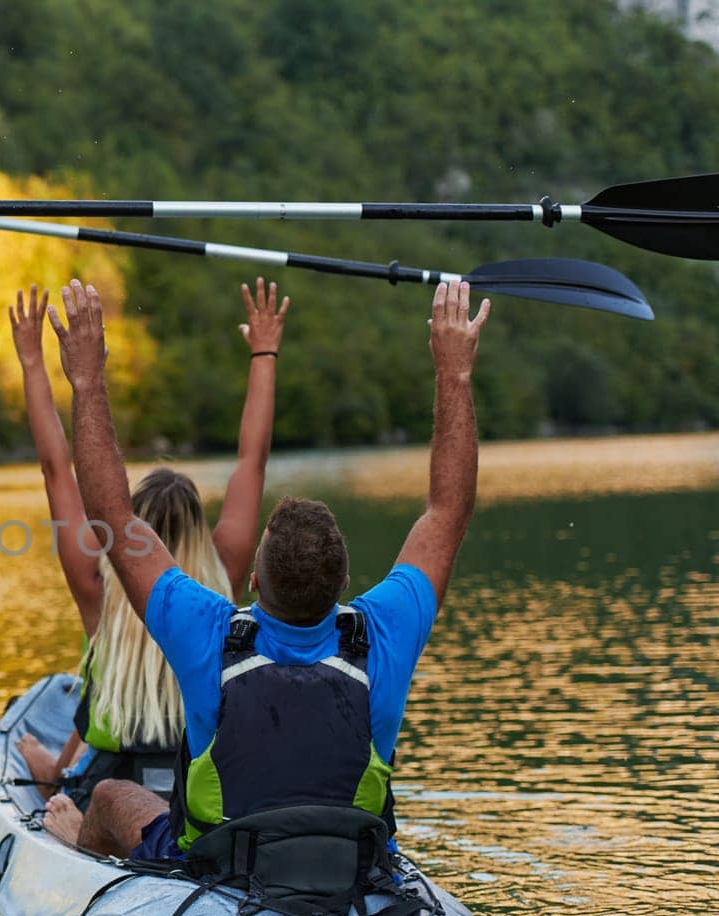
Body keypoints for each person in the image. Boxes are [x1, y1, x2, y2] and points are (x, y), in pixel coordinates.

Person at [41, 277, 488, 860]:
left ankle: (74, 843)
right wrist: (454, 374)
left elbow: (111, 512)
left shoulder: (206, 630)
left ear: (253, 581)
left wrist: (87, 379)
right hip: (351, 865)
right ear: (344, 588)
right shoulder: (383, 633)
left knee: (110, 795)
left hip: (220, 867)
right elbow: (447, 512)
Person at [8, 281, 286, 837]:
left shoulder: (98, 580)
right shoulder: (225, 573)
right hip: (199, 783)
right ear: (199, 531)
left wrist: (34, 362)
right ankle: (56, 772)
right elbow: (251, 461)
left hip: (111, 788)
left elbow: (56, 469)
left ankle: (56, 783)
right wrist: (264, 353)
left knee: (77, 768)